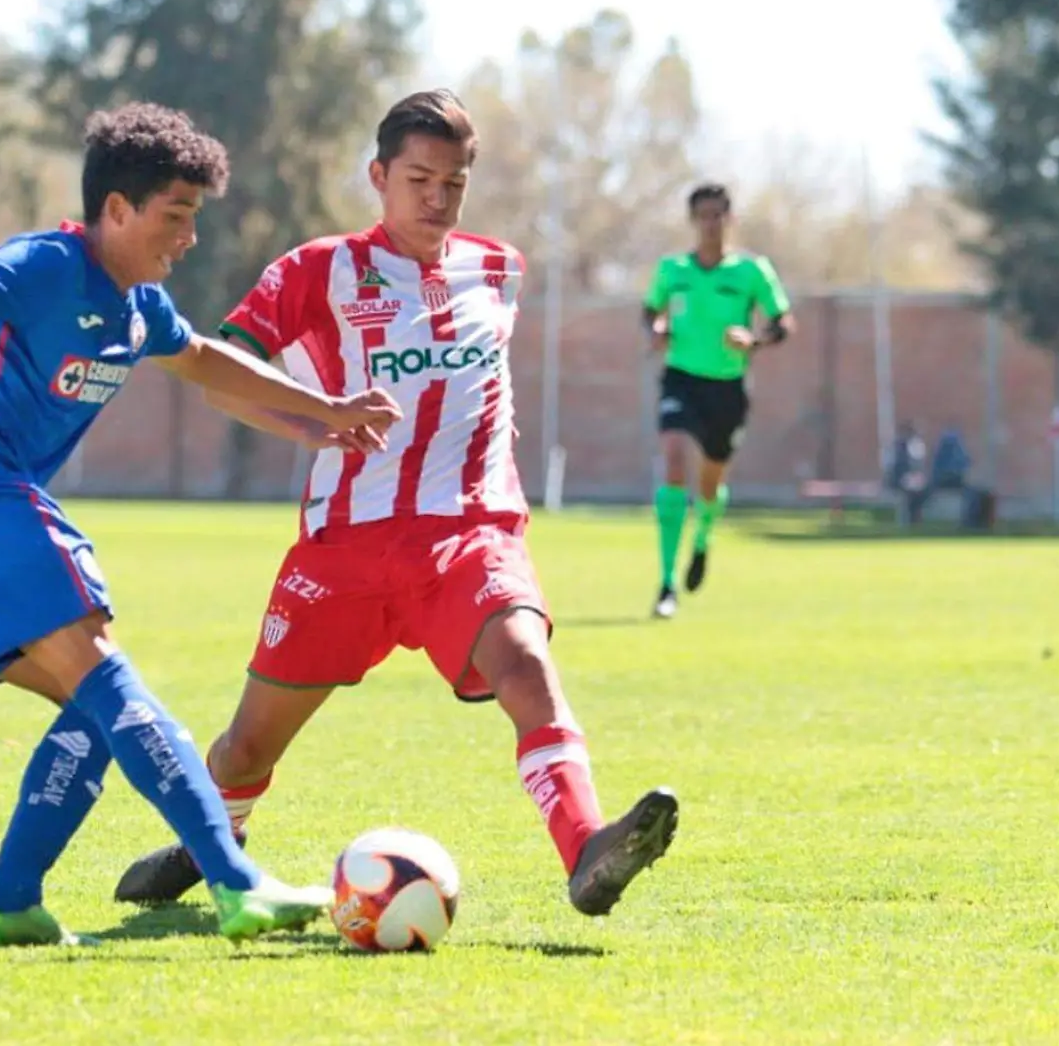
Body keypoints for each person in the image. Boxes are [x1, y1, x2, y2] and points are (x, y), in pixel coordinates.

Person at [0, 103, 402, 948]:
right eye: (175, 217)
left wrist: (325, 408)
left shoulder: (141, 311)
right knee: (111, 685)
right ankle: (236, 882)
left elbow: (208, 359)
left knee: (95, 711)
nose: (188, 238)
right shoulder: (49, 264)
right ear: (116, 211)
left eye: (194, 218)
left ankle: (9, 900)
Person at [108, 90, 679, 919]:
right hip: (345, 547)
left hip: (470, 534)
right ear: (378, 175)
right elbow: (222, 369)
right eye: (419, 177)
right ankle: (207, 845)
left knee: (526, 666)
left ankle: (588, 849)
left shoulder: (500, 268)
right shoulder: (316, 270)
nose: (437, 198)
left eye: (454, 182)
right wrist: (313, 424)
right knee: (249, 744)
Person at [641, 184, 796, 619]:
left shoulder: (752, 272)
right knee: (673, 458)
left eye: (718, 215)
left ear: (731, 219)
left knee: (710, 482)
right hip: (681, 379)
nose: (711, 223)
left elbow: (783, 322)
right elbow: (650, 309)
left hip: (726, 388)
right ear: (693, 221)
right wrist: (656, 328)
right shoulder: (672, 270)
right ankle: (667, 582)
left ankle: (704, 536)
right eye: (703, 215)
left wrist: (755, 338)